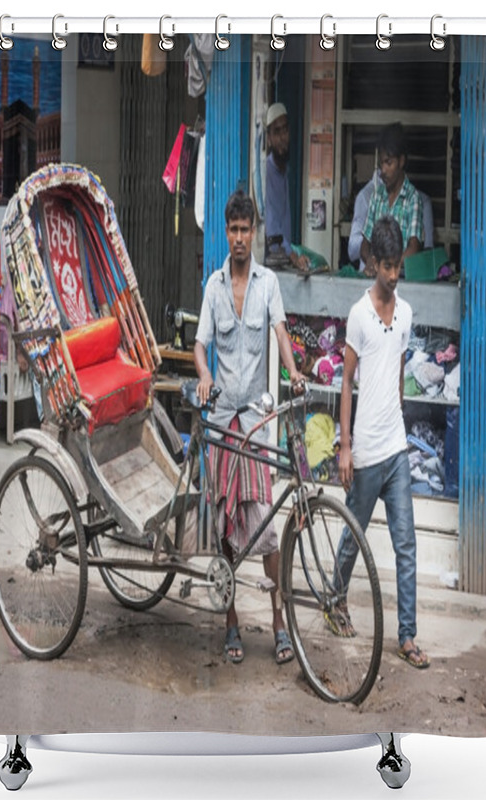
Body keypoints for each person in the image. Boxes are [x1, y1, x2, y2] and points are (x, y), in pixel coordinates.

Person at [194, 190, 304, 666]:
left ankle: (279, 622)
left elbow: (280, 332)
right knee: (225, 526)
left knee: (266, 528)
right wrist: (204, 375)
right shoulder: (214, 286)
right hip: (222, 422)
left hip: (256, 424)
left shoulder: (269, 284)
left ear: (254, 232)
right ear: (226, 232)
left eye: (246, 230)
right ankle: (232, 621)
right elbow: (200, 345)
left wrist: (294, 372)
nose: (239, 238)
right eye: (233, 230)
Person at [332, 215, 430, 669]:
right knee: (354, 538)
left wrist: (401, 419)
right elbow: (346, 382)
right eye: (387, 266)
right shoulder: (358, 316)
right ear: (373, 262)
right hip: (366, 451)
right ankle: (335, 601)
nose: (393, 275)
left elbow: (397, 377)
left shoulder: (406, 313)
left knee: (405, 544)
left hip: (396, 448)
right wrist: (345, 446)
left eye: (398, 267)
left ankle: (407, 636)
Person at [360, 123, 424, 276]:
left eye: (388, 163)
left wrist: (388, 266)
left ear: (401, 161)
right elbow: (364, 244)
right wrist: (369, 259)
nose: (383, 170)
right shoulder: (377, 196)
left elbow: (414, 249)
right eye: (381, 163)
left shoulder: (412, 198)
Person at [264, 102, 310, 272]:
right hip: (270, 261)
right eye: (277, 132)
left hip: (283, 260)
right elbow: (273, 226)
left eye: (285, 130)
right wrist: (294, 258)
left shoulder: (285, 170)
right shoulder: (266, 172)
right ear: (268, 138)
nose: (283, 137)